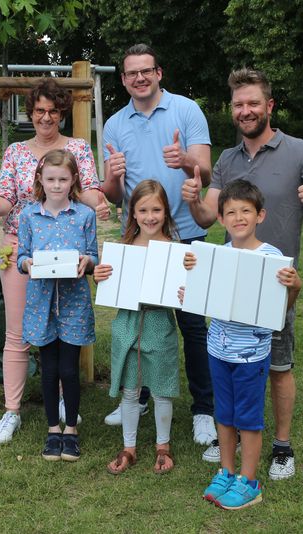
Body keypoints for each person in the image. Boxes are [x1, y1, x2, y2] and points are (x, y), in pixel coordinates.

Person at [182, 67, 303, 480]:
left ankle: (282, 447)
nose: (246, 110)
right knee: (229, 360)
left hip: (275, 283)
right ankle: (230, 441)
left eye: (253, 103)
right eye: (239, 104)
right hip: (231, 279)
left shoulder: (300, 150)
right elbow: (208, 215)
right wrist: (192, 199)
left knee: (277, 365)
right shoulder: (226, 159)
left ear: (269, 106)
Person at [0, 78, 109, 445]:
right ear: (31, 113)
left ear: (62, 112)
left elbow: (90, 192)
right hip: (25, 248)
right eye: (40, 111)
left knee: (67, 326)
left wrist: (97, 201)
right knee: (18, 332)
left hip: (69, 246)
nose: (46, 117)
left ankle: (68, 404)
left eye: (53, 110)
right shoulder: (16, 152)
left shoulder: (79, 148)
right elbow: (7, 197)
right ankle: (11, 410)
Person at [102, 43, 216, 445]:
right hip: (138, 238)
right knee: (138, 318)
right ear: (123, 79)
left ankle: (204, 408)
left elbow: (205, 169)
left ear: (159, 72)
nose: (139, 78)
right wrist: (113, 177)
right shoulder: (115, 124)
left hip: (186, 232)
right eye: (131, 73)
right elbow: (114, 195)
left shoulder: (186, 110)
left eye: (146, 71)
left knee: (191, 325)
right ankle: (140, 396)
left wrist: (185, 160)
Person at [181, 180, 301, 509]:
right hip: (217, 350)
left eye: (246, 211)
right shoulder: (214, 256)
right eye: (230, 212)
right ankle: (227, 472)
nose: (238, 217)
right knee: (224, 414)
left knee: (247, 418)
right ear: (221, 219)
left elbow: (283, 307)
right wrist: (190, 281)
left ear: (260, 215)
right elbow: (201, 297)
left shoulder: (272, 257)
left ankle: (249, 481)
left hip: (251, 355)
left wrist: (295, 286)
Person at [16, 149, 98, 461]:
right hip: (41, 304)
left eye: (63, 179)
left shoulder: (84, 216)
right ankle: (53, 428)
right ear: (40, 179)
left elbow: (93, 256)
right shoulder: (28, 215)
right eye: (50, 179)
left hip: (74, 303)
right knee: (49, 369)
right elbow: (22, 255)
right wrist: (27, 265)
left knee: (69, 369)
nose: (57, 185)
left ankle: (71, 430)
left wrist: (87, 261)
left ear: (73, 179)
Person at [96, 180, 180, 475]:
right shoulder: (124, 249)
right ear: (133, 213)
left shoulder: (175, 251)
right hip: (127, 324)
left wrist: (185, 290)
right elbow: (111, 286)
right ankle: (129, 447)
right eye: (143, 210)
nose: (150, 216)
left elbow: (182, 295)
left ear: (166, 211)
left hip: (159, 323)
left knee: (161, 389)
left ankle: (163, 446)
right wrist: (101, 276)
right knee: (130, 389)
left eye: (156, 209)